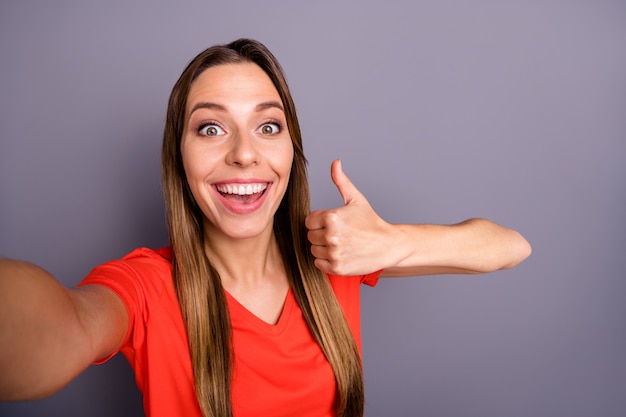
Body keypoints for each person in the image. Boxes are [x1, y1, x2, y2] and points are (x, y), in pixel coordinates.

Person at [0, 38, 531, 417]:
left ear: (290, 149)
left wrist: (391, 242)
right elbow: (65, 326)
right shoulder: (146, 288)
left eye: (268, 125)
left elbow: (509, 247)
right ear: (178, 159)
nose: (244, 154)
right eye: (211, 128)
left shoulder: (335, 251)